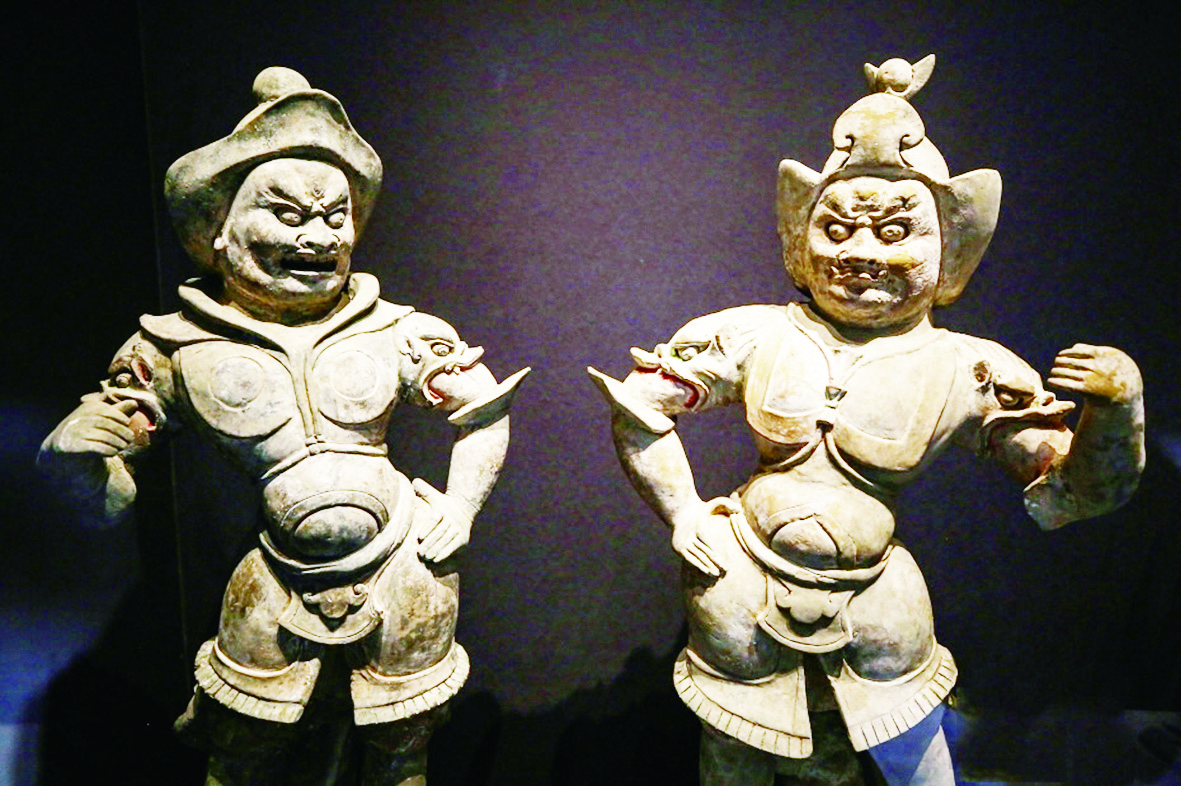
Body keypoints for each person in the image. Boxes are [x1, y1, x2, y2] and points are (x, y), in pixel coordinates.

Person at [589, 55, 1144, 785]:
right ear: (800, 239)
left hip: (880, 601)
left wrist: (1118, 411)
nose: (860, 253)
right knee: (733, 755)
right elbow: (640, 406)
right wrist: (684, 513)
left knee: (913, 760)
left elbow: (1072, 490)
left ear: (950, 250)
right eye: (837, 229)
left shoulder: (969, 369)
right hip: (739, 586)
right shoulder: (755, 334)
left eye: (895, 232)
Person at [39, 66, 528, 785]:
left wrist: (460, 509)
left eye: (334, 216)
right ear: (218, 227)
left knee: (401, 750)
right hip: (275, 573)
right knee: (242, 745)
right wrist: (75, 462)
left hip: (406, 565)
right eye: (288, 215)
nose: (318, 237)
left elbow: (482, 410)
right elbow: (108, 498)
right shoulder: (172, 350)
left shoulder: (400, 332)